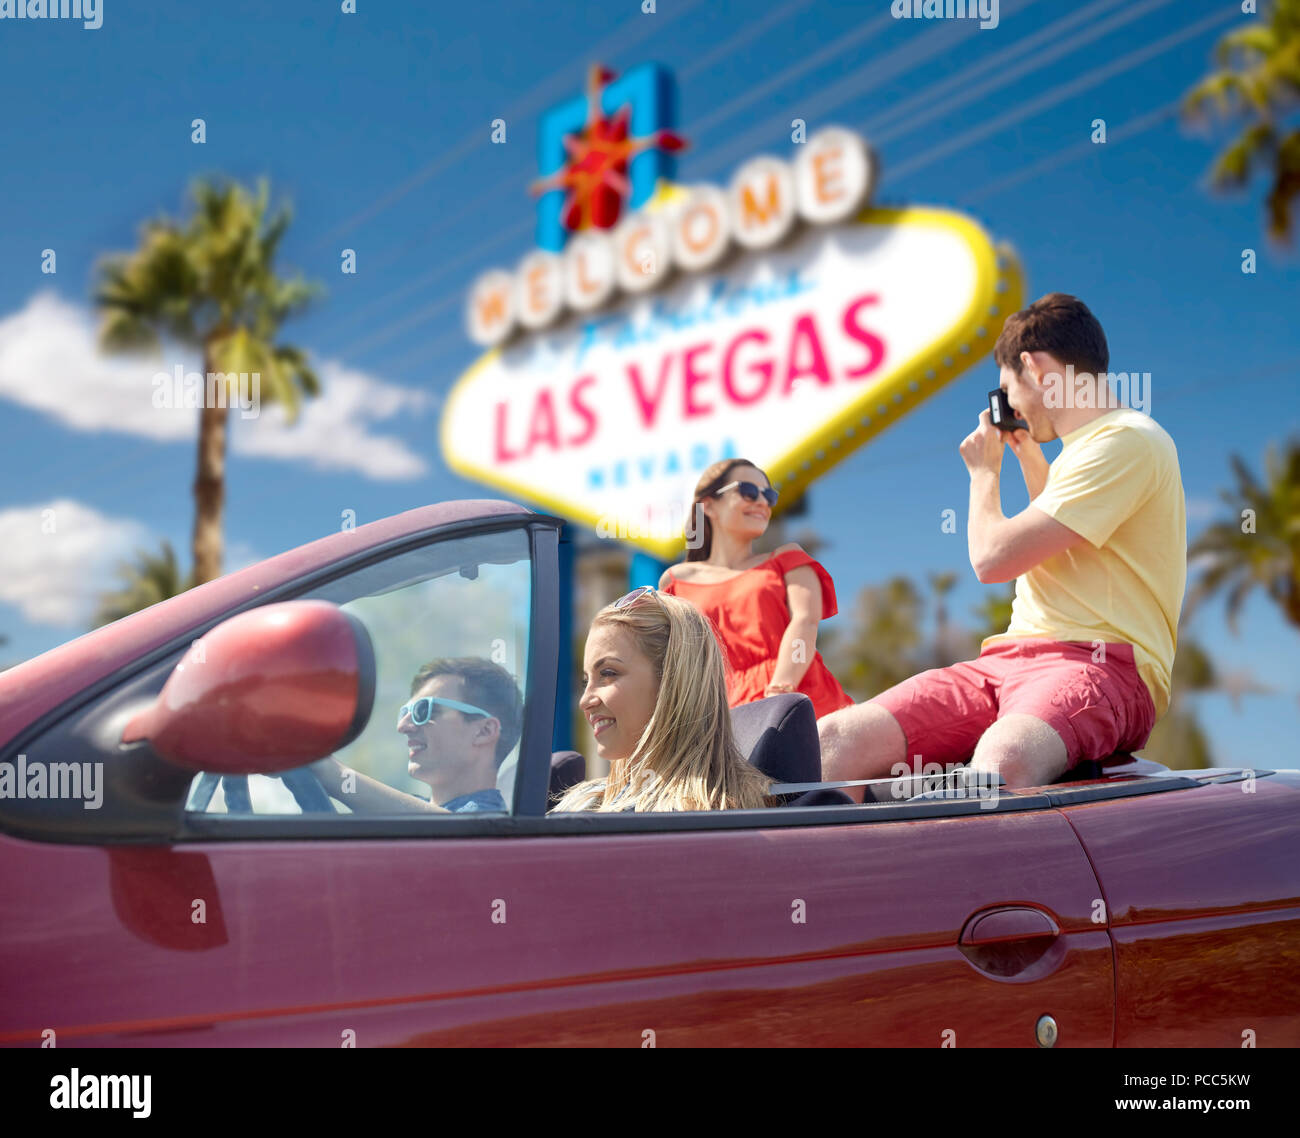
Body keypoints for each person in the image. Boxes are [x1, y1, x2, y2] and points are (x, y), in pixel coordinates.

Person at [818, 292, 1186, 793]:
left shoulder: (1126, 440)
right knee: (834, 741)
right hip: (1006, 661)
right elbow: (1059, 545)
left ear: (1034, 368)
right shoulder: (1088, 451)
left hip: (1103, 664)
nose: (1010, 406)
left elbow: (992, 559)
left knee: (1001, 762)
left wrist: (983, 474)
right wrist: (1029, 458)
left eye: (1008, 389)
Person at [657, 458, 853, 720]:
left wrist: (781, 692)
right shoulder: (674, 583)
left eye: (769, 495)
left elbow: (805, 622)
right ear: (709, 506)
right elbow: (670, 663)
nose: (762, 502)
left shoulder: (788, 559)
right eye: (748, 491)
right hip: (719, 714)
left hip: (801, 701)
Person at [552, 587, 776, 812]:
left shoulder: (699, 817)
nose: (585, 700)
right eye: (585, 682)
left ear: (672, 681)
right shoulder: (587, 799)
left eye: (608, 673)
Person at [312, 657, 522, 813]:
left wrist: (329, 771)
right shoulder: (414, 812)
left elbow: (460, 832)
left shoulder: (488, 824)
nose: (403, 726)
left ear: (484, 731)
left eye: (423, 710)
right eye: (405, 713)